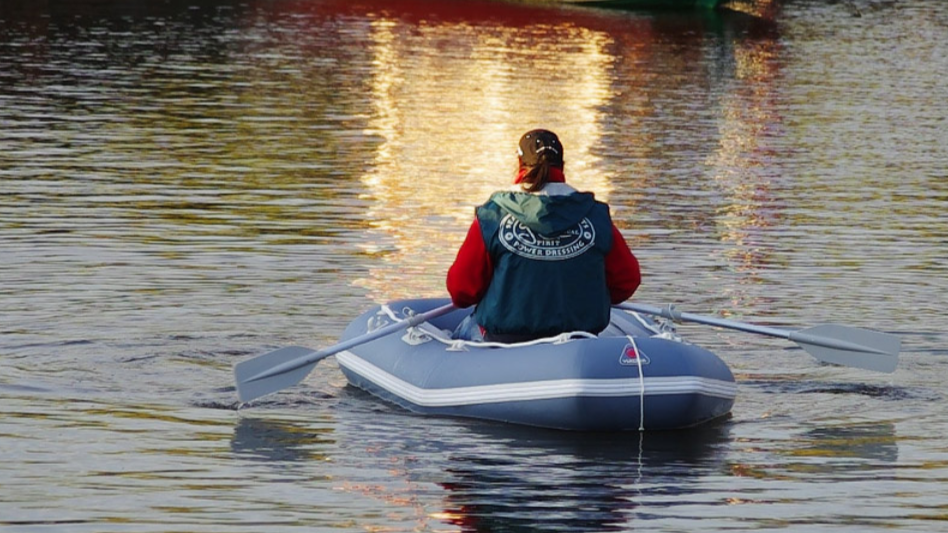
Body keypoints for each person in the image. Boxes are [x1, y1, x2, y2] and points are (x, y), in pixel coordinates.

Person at [446, 129, 641, 342]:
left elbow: (461, 291)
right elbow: (627, 281)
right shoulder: (595, 216)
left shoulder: (493, 215)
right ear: (562, 166)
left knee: (461, 331)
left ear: (520, 164)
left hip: (505, 343)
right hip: (580, 342)